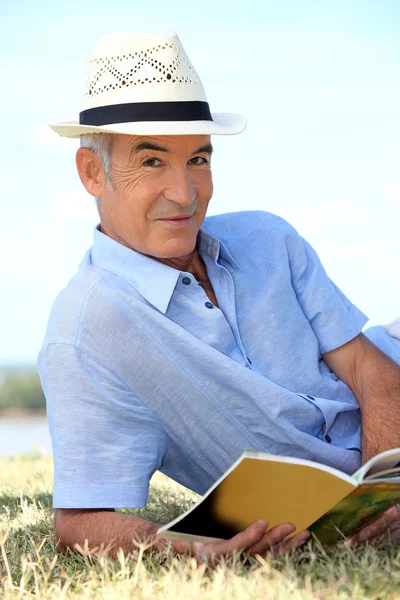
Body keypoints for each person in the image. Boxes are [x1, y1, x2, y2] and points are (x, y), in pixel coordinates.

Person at [38, 31, 400, 561]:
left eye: (199, 160)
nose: (186, 194)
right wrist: (188, 551)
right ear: (93, 172)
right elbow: (80, 520)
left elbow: (375, 373)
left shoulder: (268, 237)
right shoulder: (86, 333)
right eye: (153, 161)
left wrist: (382, 495)